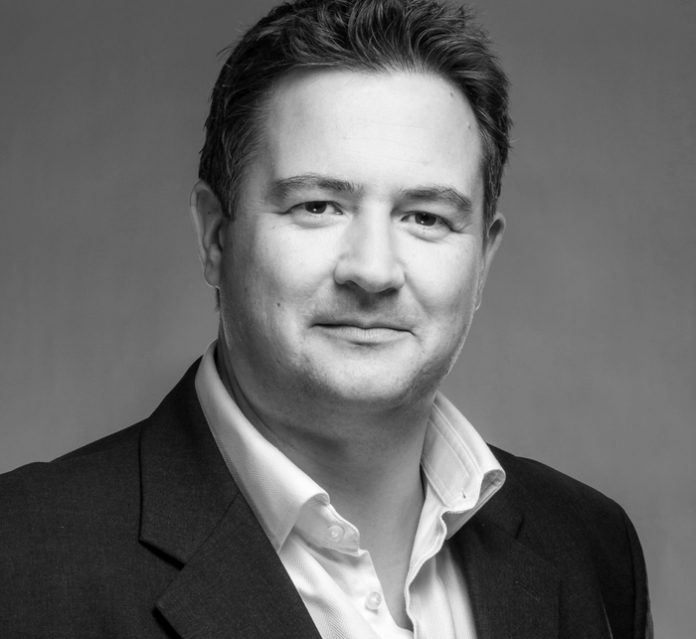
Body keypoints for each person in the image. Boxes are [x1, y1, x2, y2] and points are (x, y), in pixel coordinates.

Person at [0, 0, 652, 637]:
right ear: (216, 236)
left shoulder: (592, 548)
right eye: (318, 206)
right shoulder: (22, 559)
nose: (372, 270)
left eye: (426, 217)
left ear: (482, 258)